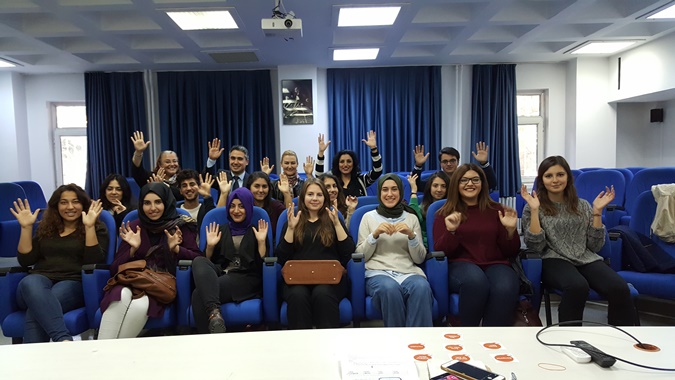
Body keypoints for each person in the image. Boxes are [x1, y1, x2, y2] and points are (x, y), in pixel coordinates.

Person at [521, 156, 637, 326]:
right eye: (548, 176)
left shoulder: (582, 205)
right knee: (577, 286)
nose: (555, 180)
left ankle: (620, 339)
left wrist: (597, 211)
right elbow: (536, 246)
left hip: (585, 257)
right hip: (552, 258)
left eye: (560, 174)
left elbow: (595, 246)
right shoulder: (533, 205)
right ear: (542, 179)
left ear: (568, 177)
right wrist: (534, 210)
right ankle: (570, 340)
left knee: (619, 287)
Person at [98, 183, 202, 339]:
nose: (152, 208)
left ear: (166, 202)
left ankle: (110, 355)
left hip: (158, 286)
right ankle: (102, 353)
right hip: (130, 281)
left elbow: (198, 259)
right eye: (147, 203)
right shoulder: (134, 227)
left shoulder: (180, 226)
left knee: (141, 305)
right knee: (120, 295)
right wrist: (132, 250)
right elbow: (114, 269)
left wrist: (177, 250)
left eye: (158, 202)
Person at [10, 184, 108, 343]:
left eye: (75, 201)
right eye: (64, 202)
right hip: (38, 281)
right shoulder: (47, 228)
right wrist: (26, 228)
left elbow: (92, 261)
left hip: (73, 283)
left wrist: (89, 226)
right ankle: (63, 340)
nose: (70, 207)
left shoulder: (97, 227)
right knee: (30, 283)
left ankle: (35, 361)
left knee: (38, 307)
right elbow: (26, 261)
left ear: (83, 204)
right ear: (56, 206)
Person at [432, 164, 521, 326]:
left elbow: (511, 251)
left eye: (475, 179)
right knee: (476, 283)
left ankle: (493, 339)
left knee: (506, 285)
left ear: (483, 183)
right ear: (456, 185)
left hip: (495, 263)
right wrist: (451, 231)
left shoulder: (497, 210)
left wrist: (510, 231)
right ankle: (467, 334)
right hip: (460, 265)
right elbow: (441, 251)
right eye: (464, 180)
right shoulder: (445, 212)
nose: (470, 184)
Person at [275, 179, 355, 329]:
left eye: (319, 195)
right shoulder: (293, 220)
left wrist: (337, 224)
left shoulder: (333, 218)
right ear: (303, 197)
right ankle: (301, 348)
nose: (314, 198)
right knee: (298, 296)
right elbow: (281, 257)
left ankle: (328, 347)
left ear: (325, 197)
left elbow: (348, 254)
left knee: (322, 293)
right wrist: (291, 229)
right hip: (296, 281)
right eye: (310, 194)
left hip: (331, 281)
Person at [355, 174, 432, 327]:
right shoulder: (368, 217)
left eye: (394, 189)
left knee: (422, 287)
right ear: (379, 193)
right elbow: (361, 255)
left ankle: (418, 342)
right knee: (390, 289)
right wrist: (374, 235)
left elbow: (419, 259)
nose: (389, 194)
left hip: (408, 272)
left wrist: (411, 236)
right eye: (385, 190)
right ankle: (398, 341)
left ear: (401, 192)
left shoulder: (411, 218)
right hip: (378, 272)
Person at [191, 188, 268, 334]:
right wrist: (210, 246)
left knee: (197, 295)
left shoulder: (257, 231)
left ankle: (208, 336)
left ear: (248, 207)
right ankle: (215, 313)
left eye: (241, 206)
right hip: (221, 273)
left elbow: (261, 265)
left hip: (246, 278)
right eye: (232, 206)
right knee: (198, 260)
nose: (236, 210)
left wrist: (261, 243)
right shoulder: (221, 229)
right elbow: (208, 265)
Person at [315, 131, 383, 197]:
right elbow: (319, 177)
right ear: (337, 164)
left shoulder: (361, 180)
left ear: (354, 164)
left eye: (349, 161)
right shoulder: (333, 181)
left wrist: (374, 149)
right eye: (342, 162)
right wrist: (321, 153)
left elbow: (377, 171)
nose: (345, 165)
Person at [411, 142, 497, 192]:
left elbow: (491, 183)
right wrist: (418, 165)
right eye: (445, 161)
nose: (449, 164)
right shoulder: (437, 180)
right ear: (440, 164)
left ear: (458, 161)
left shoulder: (466, 178)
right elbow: (416, 185)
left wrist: (484, 163)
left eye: (452, 161)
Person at [129, 131, 182, 201]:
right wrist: (138, 152)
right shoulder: (152, 178)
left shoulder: (183, 179)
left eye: (175, 161)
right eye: (167, 162)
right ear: (160, 164)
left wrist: (162, 185)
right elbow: (137, 170)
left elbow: (182, 196)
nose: (172, 164)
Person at [407, 172, 450, 248]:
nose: (439, 189)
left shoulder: (453, 207)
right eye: (435, 186)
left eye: (443, 186)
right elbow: (413, 218)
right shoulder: (423, 207)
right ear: (429, 187)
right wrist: (414, 192)